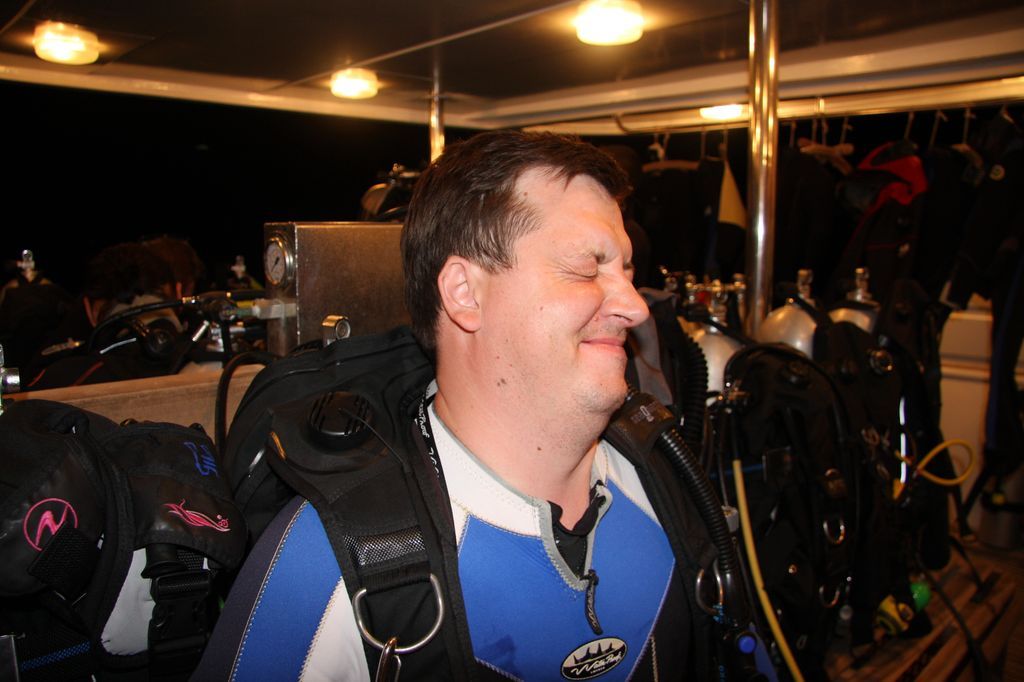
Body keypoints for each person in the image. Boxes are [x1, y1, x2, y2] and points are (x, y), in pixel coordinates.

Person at [197, 131, 720, 680]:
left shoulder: (663, 482)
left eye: (627, 271)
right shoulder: (329, 562)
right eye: (587, 268)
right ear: (465, 294)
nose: (636, 307)